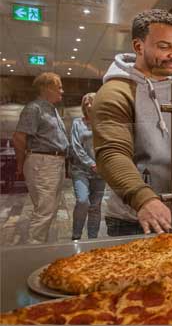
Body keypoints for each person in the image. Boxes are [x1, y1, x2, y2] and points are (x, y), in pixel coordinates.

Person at [92, 9, 172, 236]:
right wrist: (143, 199)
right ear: (138, 47)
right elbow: (111, 153)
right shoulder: (116, 92)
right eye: (164, 46)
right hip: (136, 219)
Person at [12, 72, 69, 243]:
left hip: (55, 162)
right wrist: (21, 164)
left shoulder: (52, 109)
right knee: (45, 210)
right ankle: (34, 250)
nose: (62, 91)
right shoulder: (34, 108)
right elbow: (19, 137)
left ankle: (39, 244)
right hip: (42, 162)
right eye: (58, 87)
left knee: (48, 208)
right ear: (46, 88)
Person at [69, 93, 105, 240]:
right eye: (86, 103)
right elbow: (76, 146)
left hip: (101, 171)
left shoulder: (104, 123)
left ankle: (92, 240)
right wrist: (91, 163)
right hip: (81, 170)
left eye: (91, 102)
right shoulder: (77, 123)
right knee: (82, 201)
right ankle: (76, 237)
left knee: (95, 207)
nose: (89, 105)